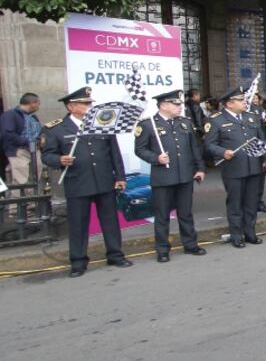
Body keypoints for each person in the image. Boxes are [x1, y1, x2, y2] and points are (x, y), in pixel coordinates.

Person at [40, 87, 131, 277]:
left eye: (90, 103)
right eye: (85, 103)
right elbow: (47, 155)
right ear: (71, 107)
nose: (90, 106)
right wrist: (60, 160)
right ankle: (78, 261)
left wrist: (120, 177)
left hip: (104, 180)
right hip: (78, 182)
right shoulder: (56, 129)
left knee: (110, 221)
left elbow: (114, 153)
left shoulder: (101, 123)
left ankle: (115, 255)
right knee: (78, 224)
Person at [134, 90, 206, 262]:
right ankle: (162, 249)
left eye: (180, 104)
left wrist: (200, 168)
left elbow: (194, 148)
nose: (180, 107)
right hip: (163, 177)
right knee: (162, 216)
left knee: (185, 213)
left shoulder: (185, 123)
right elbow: (140, 149)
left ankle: (190, 244)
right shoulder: (148, 124)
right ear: (164, 105)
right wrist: (156, 158)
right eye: (176, 104)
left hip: (184, 176)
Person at [204, 86, 266, 248]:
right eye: (241, 100)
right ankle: (236, 235)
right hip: (233, 168)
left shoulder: (251, 117)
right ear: (229, 104)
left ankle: (250, 232)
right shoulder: (216, 120)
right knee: (235, 203)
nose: (245, 102)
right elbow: (209, 144)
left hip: (254, 166)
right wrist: (222, 152)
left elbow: (262, 140)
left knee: (251, 202)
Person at [1, 92, 43, 191]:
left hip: (35, 150)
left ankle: (32, 199)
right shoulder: (10, 115)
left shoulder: (33, 117)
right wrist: (28, 142)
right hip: (19, 150)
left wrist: (42, 138)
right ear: (32, 103)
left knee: (35, 176)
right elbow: (8, 134)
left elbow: (39, 131)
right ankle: (17, 201)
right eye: (38, 103)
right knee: (20, 179)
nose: (39, 106)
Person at [250, 92, 266, 213]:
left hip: (259, 146)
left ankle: (259, 202)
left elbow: (263, 129)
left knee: (259, 179)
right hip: (245, 151)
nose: (254, 99)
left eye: (256, 97)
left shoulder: (259, 109)